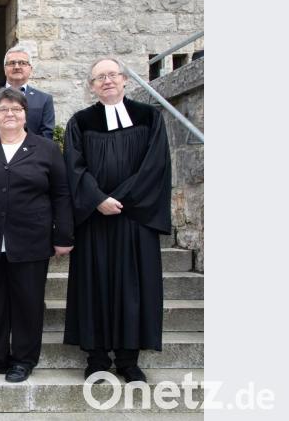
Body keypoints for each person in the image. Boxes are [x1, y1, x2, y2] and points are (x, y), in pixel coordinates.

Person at [63, 57, 172, 384]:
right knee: (94, 286)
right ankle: (96, 357)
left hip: (135, 219)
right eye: (99, 78)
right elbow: (74, 166)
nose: (107, 81)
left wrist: (121, 199)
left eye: (112, 75)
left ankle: (128, 359)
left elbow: (156, 166)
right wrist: (97, 200)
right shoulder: (81, 122)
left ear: (125, 80)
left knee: (133, 289)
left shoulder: (149, 117)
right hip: (95, 221)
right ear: (92, 86)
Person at [0, 88, 73, 383]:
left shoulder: (45, 149)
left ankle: (23, 359)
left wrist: (64, 235)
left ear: (26, 114)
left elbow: (61, 194)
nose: (10, 114)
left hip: (31, 238)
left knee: (28, 301)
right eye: (3, 109)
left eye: (16, 109)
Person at [0, 45, 55, 139]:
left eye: (22, 63)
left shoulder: (44, 99)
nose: (17, 67)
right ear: (4, 69)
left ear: (30, 69)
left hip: (34, 152)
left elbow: (47, 134)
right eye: (12, 63)